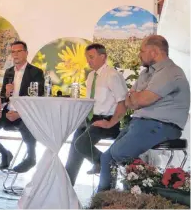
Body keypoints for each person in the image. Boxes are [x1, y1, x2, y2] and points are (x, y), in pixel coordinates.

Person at [97, 35, 190, 192]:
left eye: (142, 50)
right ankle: (104, 201)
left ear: (154, 52)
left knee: (118, 154)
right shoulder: (146, 74)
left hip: (161, 125)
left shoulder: (170, 72)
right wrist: (136, 98)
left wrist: (137, 97)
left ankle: (141, 192)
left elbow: (143, 99)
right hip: (141, 123)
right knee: (107, 157)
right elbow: (128, 101)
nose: (139, 54)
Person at [65, 43, 127, 186]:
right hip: (91, 120)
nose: (88, 61)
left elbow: (123, 103)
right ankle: (67, 187)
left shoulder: (113, 75)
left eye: (91, 57)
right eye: (87, 58)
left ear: (103, 57)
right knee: (74, 149)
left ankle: (105, 165)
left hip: (107, 122)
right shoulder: (91, 76)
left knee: (81, 143)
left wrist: (110, 122)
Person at [0, 40, 44, 173]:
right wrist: (7, 93)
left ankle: (31, 158)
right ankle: (4, 152)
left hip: (24, 114)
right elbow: (3, 98)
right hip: (8, 112)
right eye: (13, 52)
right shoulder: (8, 72)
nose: (16, 54)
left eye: (19, 51)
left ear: (26, 53)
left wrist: (20, 113)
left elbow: (37, 99)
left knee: (28, 126)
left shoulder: (36, 72)